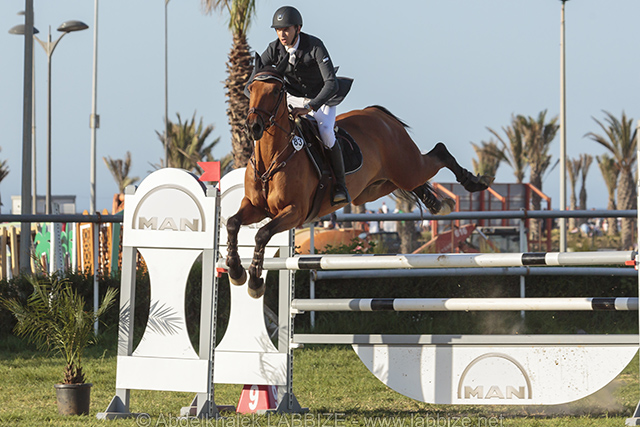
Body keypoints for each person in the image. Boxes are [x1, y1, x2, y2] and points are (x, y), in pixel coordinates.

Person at [254, 6, 352, 205]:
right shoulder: (274, 49)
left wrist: (310, 108)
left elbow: (331, 83)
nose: (282, 34)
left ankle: (340, 186)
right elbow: (255, 77)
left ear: (298, 28)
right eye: (278, 30)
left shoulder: (314, 46)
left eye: (286, 29)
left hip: (321, 97)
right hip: (294, 97)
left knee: (326, 133)